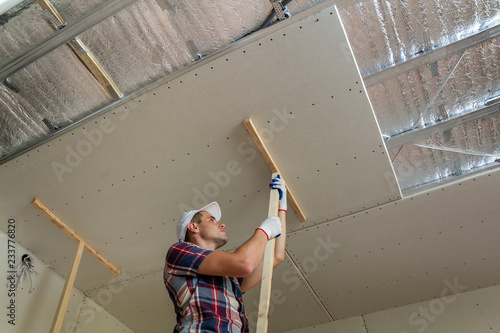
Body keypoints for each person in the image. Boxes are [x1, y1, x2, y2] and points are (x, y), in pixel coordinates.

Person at [164, 175, 287, 333]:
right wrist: (264, 231)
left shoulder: (230, 278)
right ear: (193, 227)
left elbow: (276, 256)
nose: (221, 224)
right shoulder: (178, 251)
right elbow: (244, 263)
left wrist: (281, 207)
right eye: (212, 220)